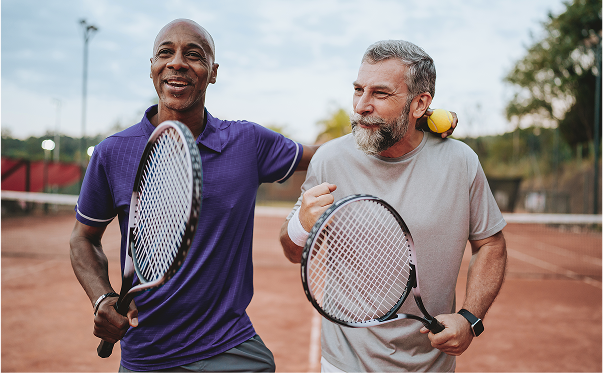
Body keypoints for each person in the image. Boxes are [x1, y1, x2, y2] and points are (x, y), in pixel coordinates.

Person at [70, 19, 457, 372]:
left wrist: (410, 122)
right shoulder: (113, 152)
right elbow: (83, 238)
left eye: (194, 55)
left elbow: (326, 151)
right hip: (148, 355)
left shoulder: (246, 142)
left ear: (213, 73)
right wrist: (102, 298)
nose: (177, 63)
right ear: (152, 65)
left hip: (232, 347)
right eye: (165, 53)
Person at [280, 40, 507, 373]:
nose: (361, 105)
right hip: (345, 364)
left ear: (420, 104)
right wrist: (301, 223)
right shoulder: (329, 160)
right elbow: (292, 251)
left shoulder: (462, 162)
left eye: (380, 94)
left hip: (433, 365)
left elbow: (491, 245)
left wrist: (470, 318)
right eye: (358, 90)